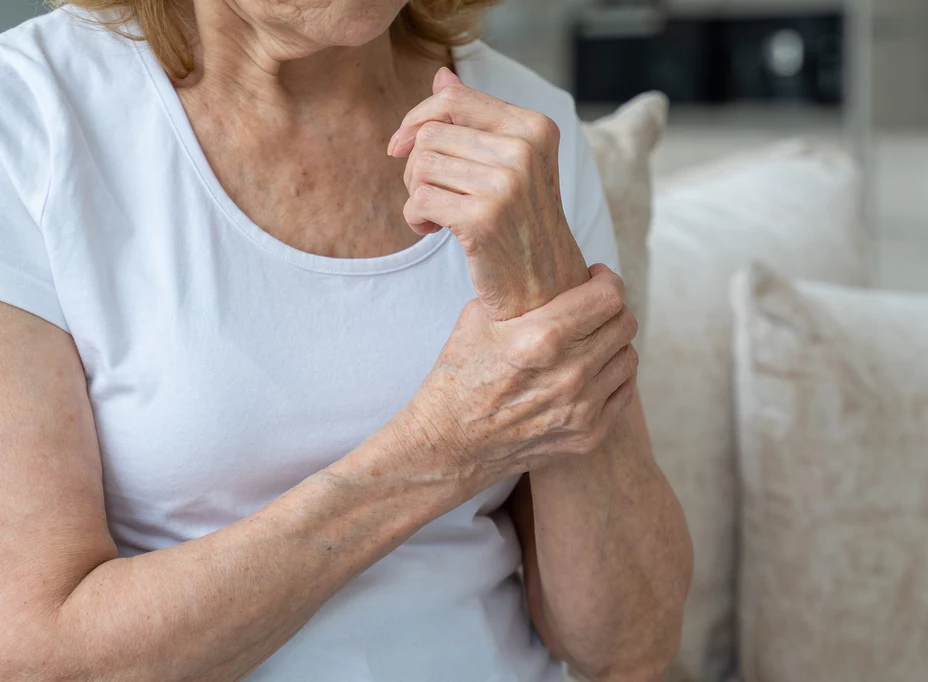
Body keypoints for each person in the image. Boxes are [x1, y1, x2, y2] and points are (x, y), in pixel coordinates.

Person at [0, 0, 693, 679]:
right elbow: (43, 654)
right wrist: (441, 448)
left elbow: (627, 646)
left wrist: (545, 298)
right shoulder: (32, 118)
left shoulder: (523, 127)